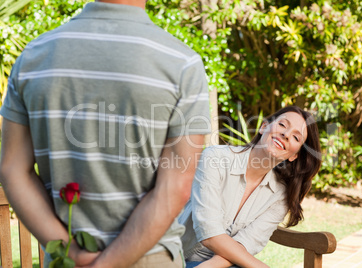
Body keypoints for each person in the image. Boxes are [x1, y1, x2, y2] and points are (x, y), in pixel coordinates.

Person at [0, 0, 211, 267]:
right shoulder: (182, 63)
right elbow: (175, 187)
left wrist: (70, 251)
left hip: (64, 260)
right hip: (150, 258)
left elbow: (12, 170)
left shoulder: (34, 55)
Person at [179, 106, 321, 268]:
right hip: (175, 258)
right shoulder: (215, 158)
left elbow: (245, 245)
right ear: (264, 127)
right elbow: (210, 234)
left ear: (294, 156)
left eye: (296, 137)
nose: (286, 135)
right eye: (282, 125)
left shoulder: (281, 195)